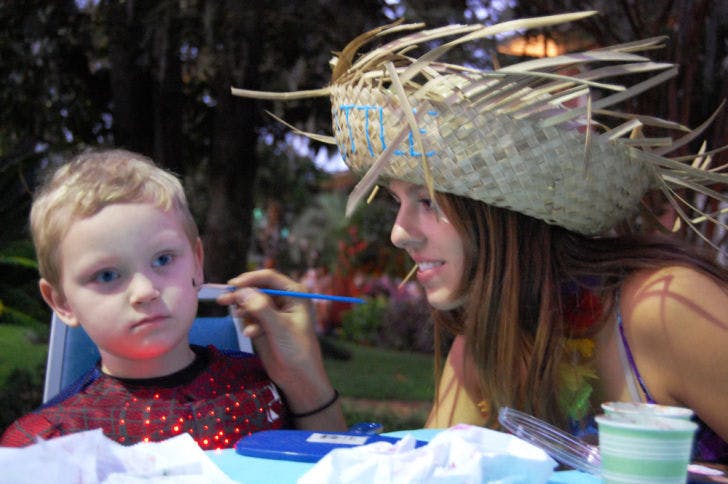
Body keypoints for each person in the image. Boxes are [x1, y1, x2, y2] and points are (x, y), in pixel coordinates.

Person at [231, 13, 728, 463]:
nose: (399, 233)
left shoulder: (665, 308)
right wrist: (305, 378)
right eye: (397, 202)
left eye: (427, 202)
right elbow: (414, 476)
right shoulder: (485, 347)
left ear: (504, 215)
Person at [0, 149, 346, 449]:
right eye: (107, 275)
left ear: (197, 261)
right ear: (61, 301)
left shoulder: (265, 389)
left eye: (163, 260)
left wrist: (305, 377)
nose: (145, 291)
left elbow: (344, 472)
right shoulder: (41, 442)